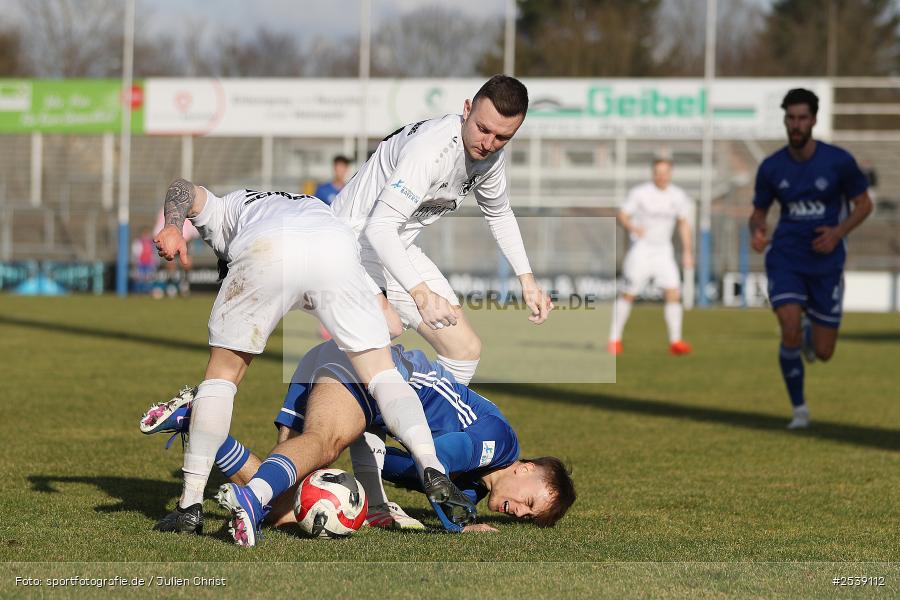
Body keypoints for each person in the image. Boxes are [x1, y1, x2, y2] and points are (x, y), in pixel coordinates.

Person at [150, 180, 475, 536]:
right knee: (382, 373)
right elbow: (391, 324)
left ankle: (189, 506)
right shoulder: (313, 210)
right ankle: (431, 464)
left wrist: (171, 225)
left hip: (268, 244)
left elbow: (183, 188)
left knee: (222, 376)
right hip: (334, 245)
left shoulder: (226, 209)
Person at [140, 340, 576, 544]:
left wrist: (383, 471)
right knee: (324, 443)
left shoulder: (480, 481)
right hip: (368, 374)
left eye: (524, 517)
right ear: (525, 468)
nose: (518, 511)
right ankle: (242, 493)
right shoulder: (498, 442)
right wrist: (456, 523)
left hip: (341, 368)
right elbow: (438, 462)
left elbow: (427, 478)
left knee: (286, 509)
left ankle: (201, 425)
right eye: (529, 502)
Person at [332, 74, 553, 389]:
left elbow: (500, 213)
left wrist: (527, 281)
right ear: (466, 110)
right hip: (350, 244)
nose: (489, 144)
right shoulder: (429, 149)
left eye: (502, 137)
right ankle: (327, 412)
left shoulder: (491, 159)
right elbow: (379, 227)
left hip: (398, 247)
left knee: (464, 350)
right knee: (388, 329)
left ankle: (425, 429)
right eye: (483, 129)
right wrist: (421, 295)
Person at [749, 88, 873, 429]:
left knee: (824, 352)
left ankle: (808, 335)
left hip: (826, 262)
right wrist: (757, 230)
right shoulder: (772, 167)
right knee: (787, 326)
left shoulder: (838, 162)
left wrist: (837, 233)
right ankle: (799, 410)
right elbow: (758, 212)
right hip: (786, 256)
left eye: (803, 118)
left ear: (814, 120)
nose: (796, 124)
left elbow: (864, 205)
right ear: (785, 120)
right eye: (791, 118)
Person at [607, 157, 694, 356]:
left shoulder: (678, 196)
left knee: (673, 293)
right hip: (641, 250)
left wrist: (688, 252)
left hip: (664, 251)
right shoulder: (640, 193)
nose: (662, 176)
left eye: (665, 172)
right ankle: (614, 339)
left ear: (671, 174)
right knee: (629, 293)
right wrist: (632, 227)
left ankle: (676, 341)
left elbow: (683, 224)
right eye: (658, 172)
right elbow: (622, 214)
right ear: (653, 173)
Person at [154, 208, 201, 297]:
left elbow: (193, 230)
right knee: (170, 263)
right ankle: (172, 285)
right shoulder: (164, 211)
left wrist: (186, 240)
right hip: (170, 242)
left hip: (185, 241)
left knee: (186, 263)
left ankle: (184, 284)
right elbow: (158, 228)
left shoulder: (187, 210)